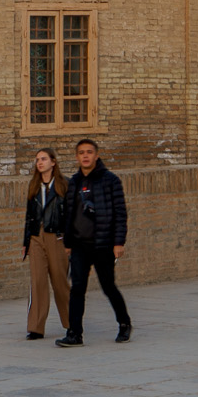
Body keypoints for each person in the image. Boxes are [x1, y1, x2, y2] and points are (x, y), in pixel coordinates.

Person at [57, 138, 131, 346]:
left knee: (108, 286)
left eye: (89, 152)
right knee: (77, 288)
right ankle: (74, 333)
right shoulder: (74, 182)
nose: (86, 156)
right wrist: (68, 242)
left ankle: (124, 323)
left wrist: (119, 242)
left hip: (103, 243)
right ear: (77, 157)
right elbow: (69, 213)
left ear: (96, 155)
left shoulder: (111, 181)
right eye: (81, 153)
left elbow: (120, 213)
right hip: (80, 245)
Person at [22, 147, 71, 340]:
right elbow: (29, 216)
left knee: (60, 282)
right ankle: (35, 327)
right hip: (36, 237)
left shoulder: (64, 184)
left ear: (53, 162)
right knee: (38, 281)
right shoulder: (33, 186)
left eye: (43, 159)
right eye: (37, 160)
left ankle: (71, 323)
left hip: (57, 237)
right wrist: (26, 241)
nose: (39, 163)